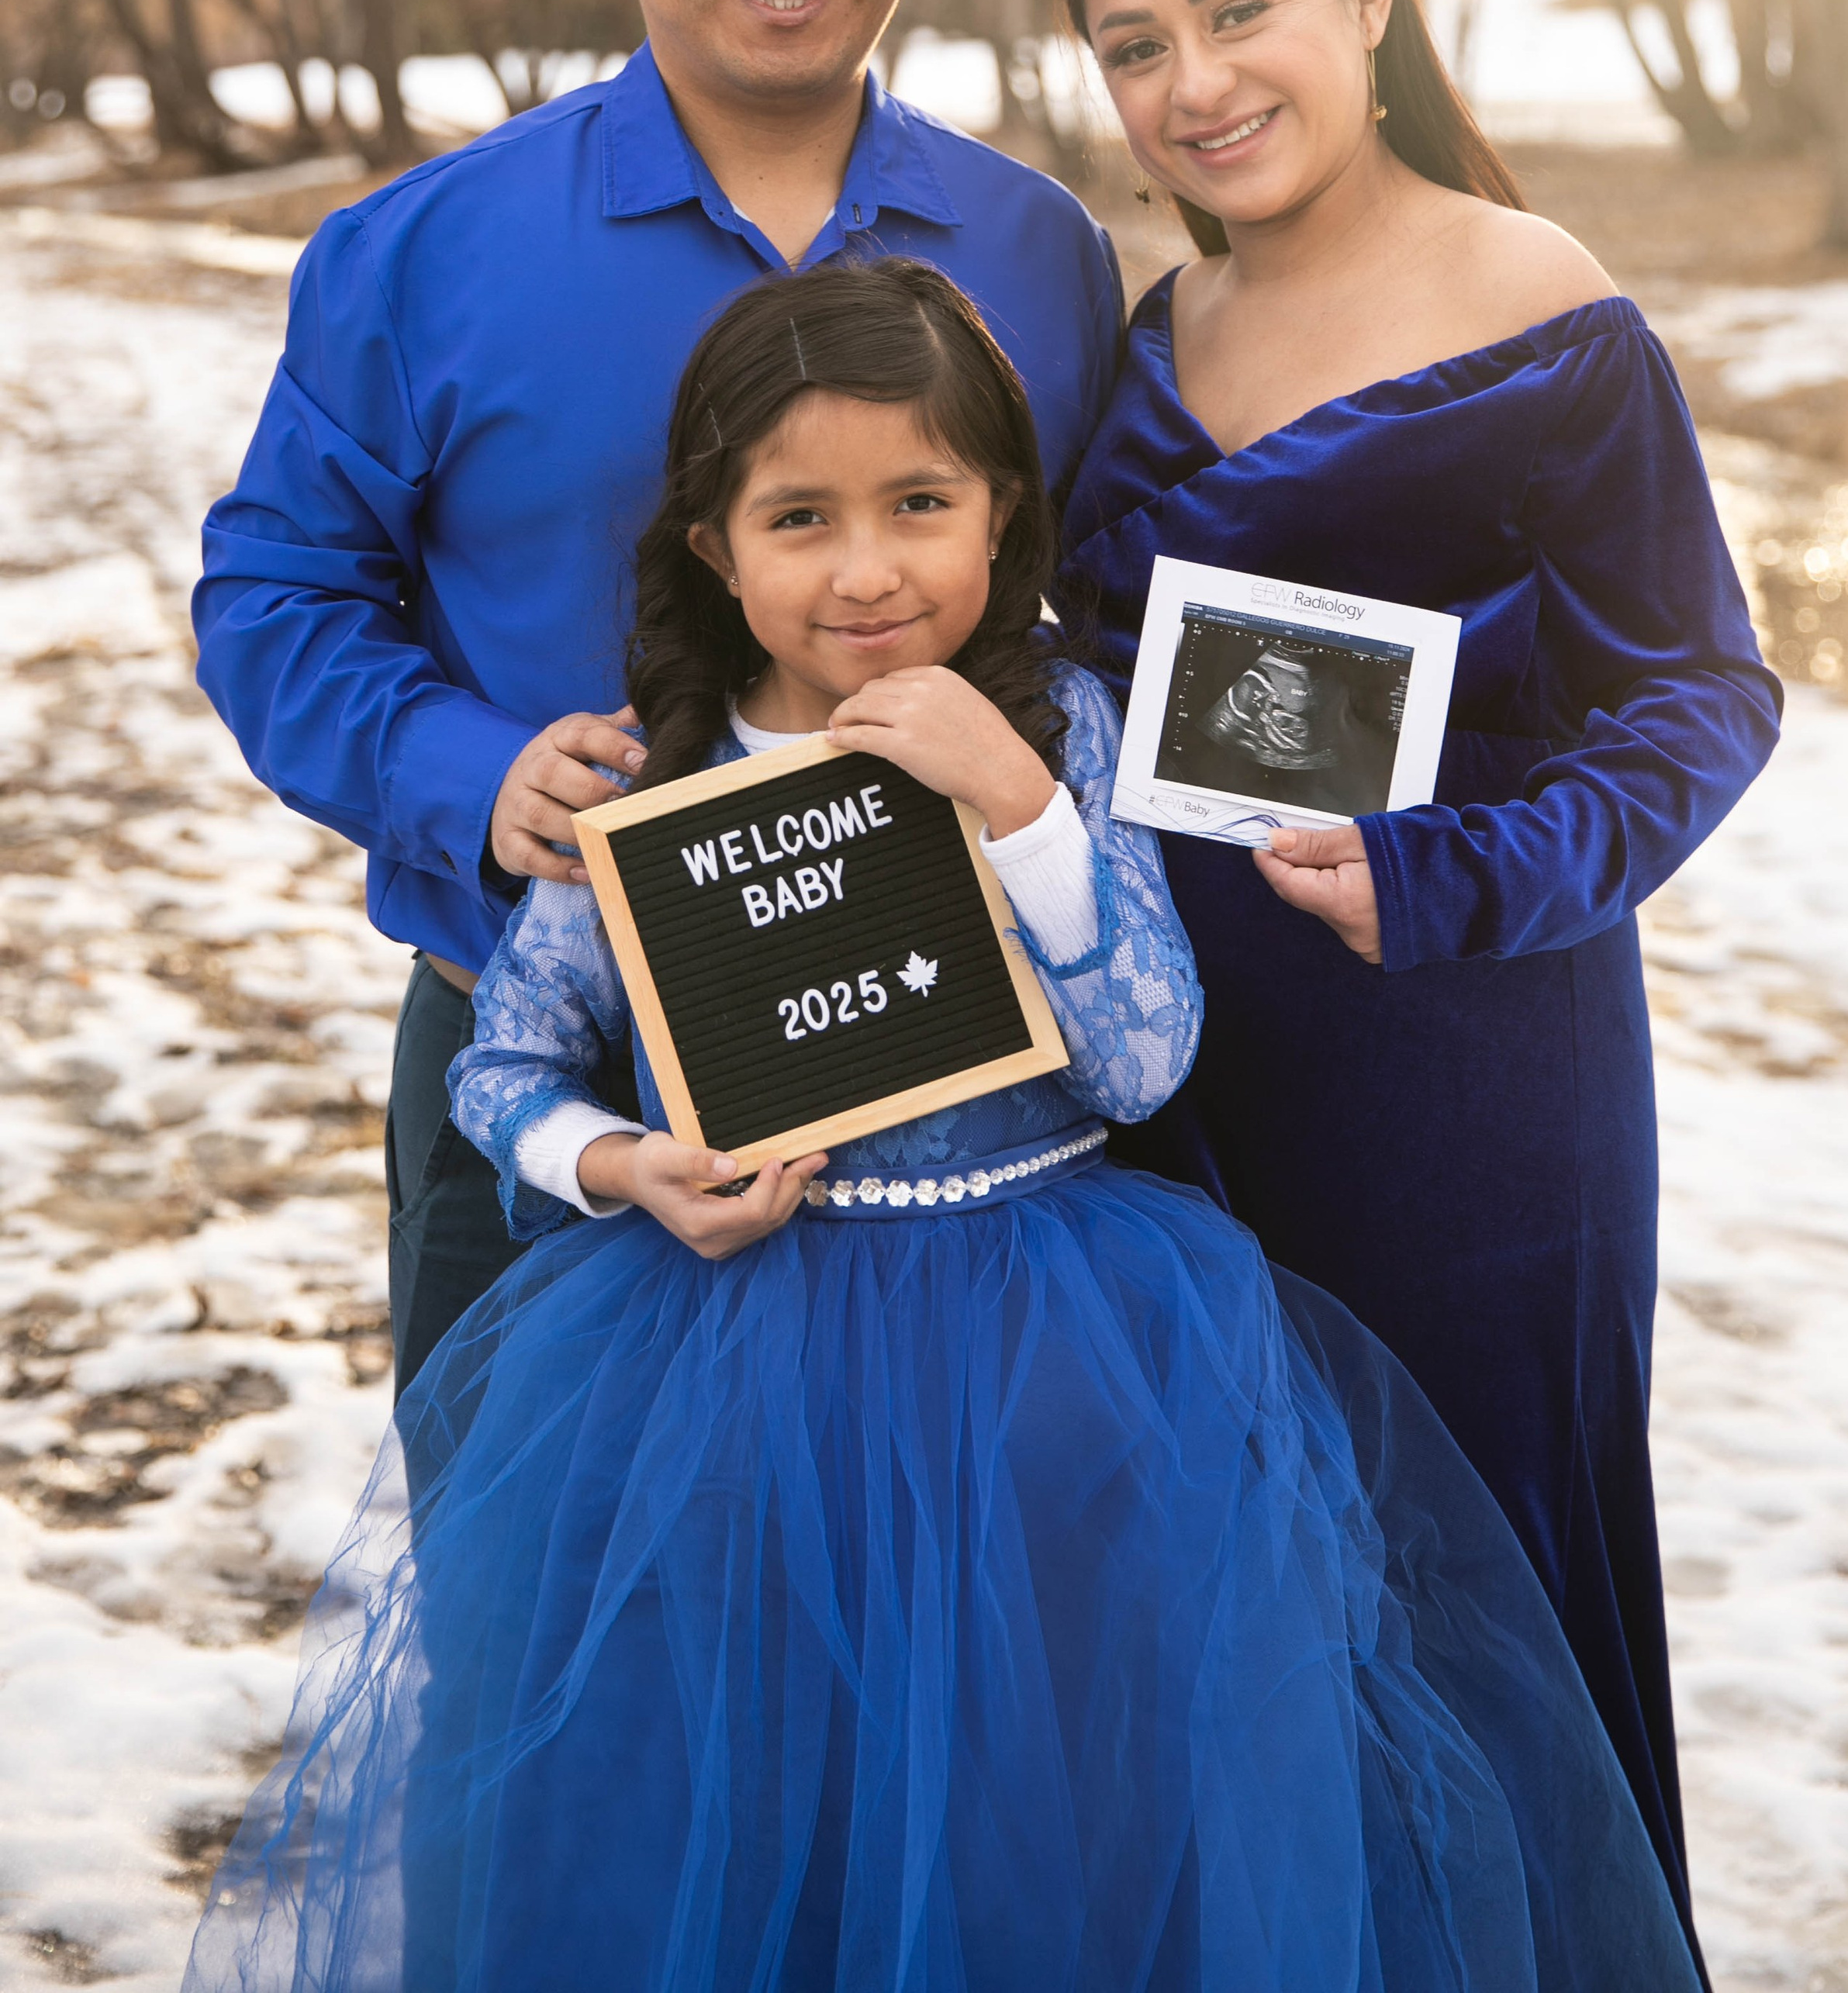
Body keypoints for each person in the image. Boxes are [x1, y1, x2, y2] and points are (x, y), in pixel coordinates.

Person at [185, 261, 1700, 1993]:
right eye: (798, 516)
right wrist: (617, 1167)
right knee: (760, 1780)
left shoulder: (1058, 731)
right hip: (724, 1364)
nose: (865, 568)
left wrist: (1017, 804)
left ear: (1000, 519)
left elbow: (1139, 1059)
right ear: (711, 547)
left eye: (920, 504)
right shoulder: (647, 786)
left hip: (1051, 1356)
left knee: (1042, 1788)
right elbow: (503, 1065)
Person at [193, 0, 1122, 1391]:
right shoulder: (423, 253)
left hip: (968, 1139)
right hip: (559, 1105)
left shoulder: (1037, 253)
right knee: (554, 1648)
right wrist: (471, 774)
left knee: (947, 1650)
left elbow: (1084, 609)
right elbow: (273, 595)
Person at [1054, 0, 1781, 1975]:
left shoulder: (1539, 306)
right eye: (1134, 42)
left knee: (1475, 1603)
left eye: (1238, 8)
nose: (1194, 81)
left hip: (1462, 1077)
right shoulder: (1158, 318)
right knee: (1249, 1615)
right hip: (1179, 1072)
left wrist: (1457, 875)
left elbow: (1700, 698)